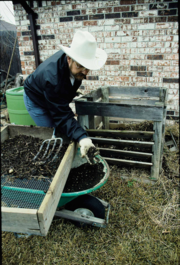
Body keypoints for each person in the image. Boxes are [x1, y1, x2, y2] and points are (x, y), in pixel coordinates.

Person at [23, 30, 107, 161]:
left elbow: (61, 100)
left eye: (88, 67)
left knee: (63, 126)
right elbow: (60, 114)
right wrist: (82, 137)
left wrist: (64, 108)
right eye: (81, 66)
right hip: (36, 100)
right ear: (69, 59)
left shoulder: (76, 67)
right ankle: (53, 165)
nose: (85, 72)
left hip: (51, 95)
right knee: (52, 134)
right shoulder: (52, 78)